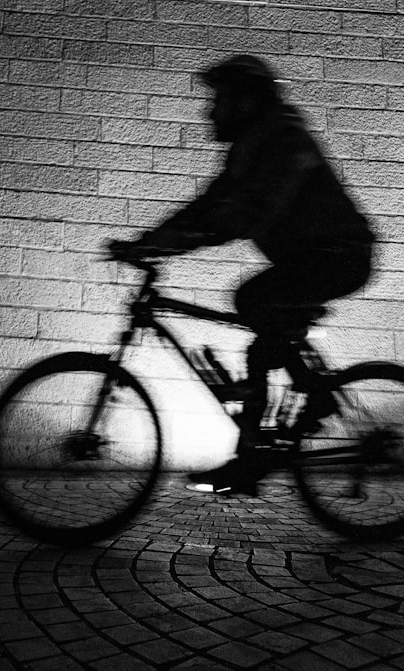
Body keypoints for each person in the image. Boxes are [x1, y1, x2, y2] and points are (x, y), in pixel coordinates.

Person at [107, 55, 375, 495]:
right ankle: (252, 457)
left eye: (220, 100)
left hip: (341, 255)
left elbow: (251, 211)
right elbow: (207, 208)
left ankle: (314, 396)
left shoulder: (286, 140)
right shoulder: (251, 149)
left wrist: (175, 242)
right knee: (260, 349)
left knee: (253, 299)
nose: (210, 112)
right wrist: (148, 242)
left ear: (247, 101)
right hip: (312, 256)